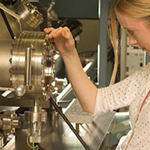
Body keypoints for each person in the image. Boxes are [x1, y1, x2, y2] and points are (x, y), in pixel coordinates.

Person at [44, 0, 150, 149]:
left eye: (132, 31)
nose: (131, 41)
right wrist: (69, 54)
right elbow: (95, 102)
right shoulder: (148, 73)